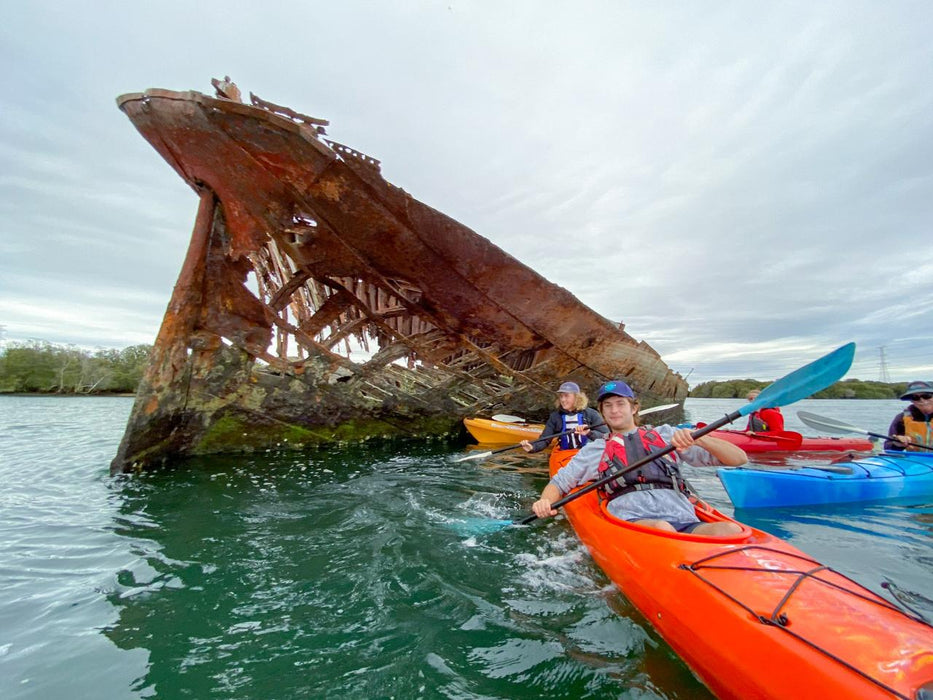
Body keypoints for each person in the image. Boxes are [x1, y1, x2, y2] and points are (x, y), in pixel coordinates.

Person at [532, 379, 747, 535]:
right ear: (602, 412)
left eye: (620, 403)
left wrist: (700, 439)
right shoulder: (596, 449)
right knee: (663, 528)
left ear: (634, 408)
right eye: (608, 405)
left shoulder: (666, 435)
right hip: (633, 520)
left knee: (730, 529)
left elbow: (738, 459)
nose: (614, 410)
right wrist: (544, 502)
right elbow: (560, 483)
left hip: (684, 517)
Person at [520, 381, 608, 453]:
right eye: (561, 396)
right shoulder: (555, 417)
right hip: (564, 455)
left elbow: (607, 437)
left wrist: (589, 433)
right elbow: (545, 439)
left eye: (566, 396)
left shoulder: (591, 414)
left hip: (587, 456)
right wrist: (532, 447)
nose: (562, 400)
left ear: (577, 397)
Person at [885, 380, 933, 451]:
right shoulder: (901, 418)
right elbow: (887, 446)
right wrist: (896, 443)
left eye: (927, 396)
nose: (922, 400)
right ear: (911, 400)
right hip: (912, 459)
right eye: (915, 398)